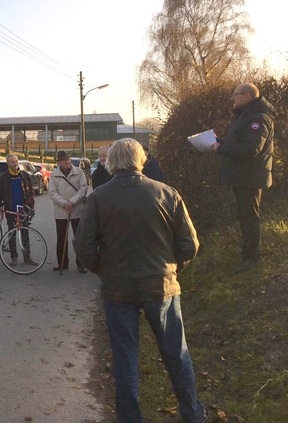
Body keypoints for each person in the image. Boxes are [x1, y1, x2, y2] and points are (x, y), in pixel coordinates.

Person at [73, 138, 206, 423]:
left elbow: (83, 247)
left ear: (110, 163)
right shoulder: (167, 193)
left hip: (118, 289)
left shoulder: (98, 197)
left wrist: (104, 270)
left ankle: (130, 418)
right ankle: (192, 412)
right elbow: (190, 245)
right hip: (162, 286)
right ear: (141, 160)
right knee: (176, 352)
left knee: (124, 358)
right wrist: (170, 269)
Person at [211, 83, 275, 274]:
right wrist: (217, 141)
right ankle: (247, 255)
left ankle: (252, 258)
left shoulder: (258, 118)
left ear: (246, 96)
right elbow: (239, 143)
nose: (233, 99)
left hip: (250, 177)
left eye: (235, 95)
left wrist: (220, 149)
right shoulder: (247, 116)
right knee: (245, 216)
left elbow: (250, 149)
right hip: (243, 177)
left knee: (249, 217)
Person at [0, 154, 35, 266]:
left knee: (25, 233)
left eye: (16, 162)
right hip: (10, 209)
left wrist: (31, 207)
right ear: (8, 164)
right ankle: (13, 257)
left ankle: (27, 257)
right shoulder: (3, 177)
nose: (15, 164)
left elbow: (30, 193)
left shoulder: (24, 175)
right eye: (12, 162)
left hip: (23, 209)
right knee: (12, 233)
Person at [48, 150, 88, 272]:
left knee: (79, 238)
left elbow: (83, 188)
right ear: (59, 162)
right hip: (61, 211)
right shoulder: (54, 175)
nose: (68, 162)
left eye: (68, 159)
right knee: (61, 238)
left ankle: (81, 264)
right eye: (65, 160)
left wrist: (72, 202)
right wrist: (65, 203)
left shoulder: (79, 172)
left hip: (77, 210)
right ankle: (62, 263)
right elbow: (52, 193)